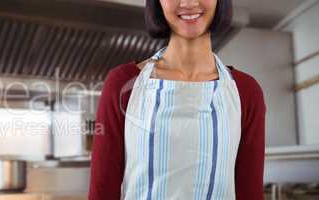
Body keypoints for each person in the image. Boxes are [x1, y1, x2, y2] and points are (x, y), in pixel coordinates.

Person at [88, 0, 266, 199]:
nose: (189, 2)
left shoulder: (246, 92)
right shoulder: (122, 83)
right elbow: (102, 191)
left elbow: (250, 192)